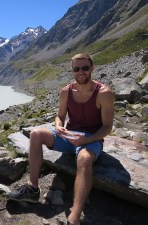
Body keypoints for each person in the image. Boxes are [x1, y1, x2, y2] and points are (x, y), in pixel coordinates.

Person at [8, 53, 115, 225]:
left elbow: (107, 127)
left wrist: (86, 141)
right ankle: (33, 188)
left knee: (85, 158)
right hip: (69, 135)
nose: (81, 72)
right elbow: (60, 116)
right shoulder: (66, 91)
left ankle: (75, 216)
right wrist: (58, 126)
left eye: (85, 68)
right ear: (72, 70)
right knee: (36, 134)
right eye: (76, 68)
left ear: (92, 68)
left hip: (91, 139)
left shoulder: (104, 93)